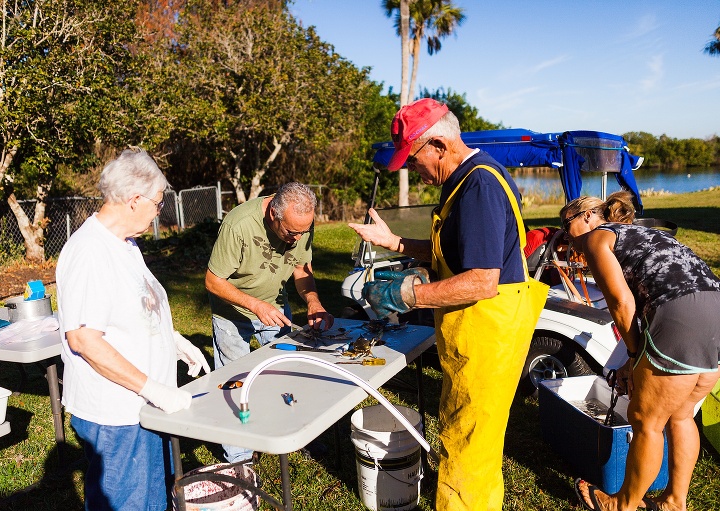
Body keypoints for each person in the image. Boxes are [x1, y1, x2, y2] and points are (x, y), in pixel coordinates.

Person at [348, 98, 548, 510]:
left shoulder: (478, 187)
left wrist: (407, 294)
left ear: (438, 145)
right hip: (479, 340)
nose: (413, 170)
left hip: (487, 344)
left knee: (465, 455)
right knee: (473, 444)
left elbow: (481, 280)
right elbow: (458, 254)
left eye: (414, 159)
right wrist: (395, 243)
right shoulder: (466, 180)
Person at [57, 147, 211, 510]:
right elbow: (83, 339)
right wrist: (153, 388)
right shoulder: (90, 252)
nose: (160, 211)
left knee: (154, 500)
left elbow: (133, 305)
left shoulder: (125, 245)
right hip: (118, 416)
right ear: (134, 199)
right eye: (158, 203)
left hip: (142, 408)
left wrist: (170, 340)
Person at [562, 193, 720, 511]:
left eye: (567, 226)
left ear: (590, 217)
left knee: (645, 420)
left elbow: (623, 304)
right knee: (681, 415)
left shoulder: (596, 238)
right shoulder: (642, 234)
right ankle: (675, 501)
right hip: (714, 309)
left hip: (679, 315)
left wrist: (635, 358)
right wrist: (628, 358)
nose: (567, 239)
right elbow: (640, 311)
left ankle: (622, 504)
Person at [205, 181, 334, 462]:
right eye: (292, 232)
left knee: (288, 372)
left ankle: (295, 432)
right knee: (235, 381)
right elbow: (213, 281)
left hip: (274, 306)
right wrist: (253, 304)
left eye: (304, 231)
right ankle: (239, 456)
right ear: (274, 215)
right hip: (233, 311)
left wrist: (313, 301)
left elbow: (301, 268)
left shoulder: (299, 222)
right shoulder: (238, 224)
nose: (298, 238)